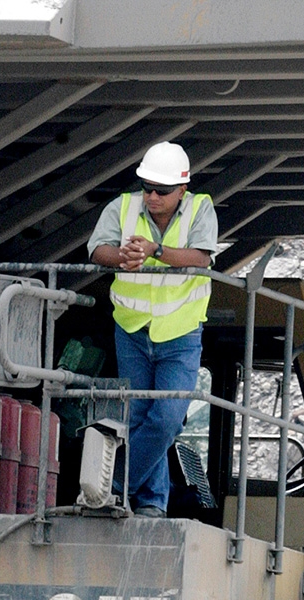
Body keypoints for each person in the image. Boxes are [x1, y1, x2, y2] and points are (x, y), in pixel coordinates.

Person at [86, 141, 218, 518]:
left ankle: (114, 485)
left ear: (182, 190)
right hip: (132, 327)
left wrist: (154, 251)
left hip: (180, 332)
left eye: (161, 190)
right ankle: (152, 503)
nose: (151, 196)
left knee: (168, 418)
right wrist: (124, 257)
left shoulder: (200, 209)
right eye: (146, 187)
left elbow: (201, 257)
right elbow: (98, 250)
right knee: (140, 416)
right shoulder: (124, 207)